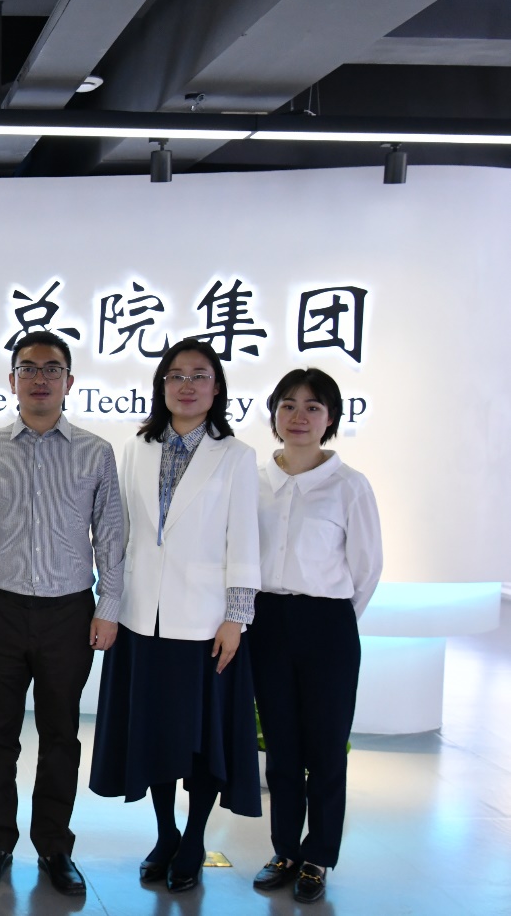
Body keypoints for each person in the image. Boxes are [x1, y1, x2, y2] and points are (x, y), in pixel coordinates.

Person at [88, 338, 263, 893]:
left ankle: (194, 838)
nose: (186, 385)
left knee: (201, 741)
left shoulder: (236, 456)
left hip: (206, 623)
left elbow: (244, 540)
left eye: (199, 375)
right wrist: (109, 602)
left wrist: (237, 615)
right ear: (161, 386)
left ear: (217, 387)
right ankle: (165, 834)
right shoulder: (136, 447)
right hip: (142, 619)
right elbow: (118, 534)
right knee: (155, 736)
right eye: (175, 375)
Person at [0, 330, 125, 894]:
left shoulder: (95, 451)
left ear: (69, 380)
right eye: (28, 368)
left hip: (68, 613)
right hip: (1, 609)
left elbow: (111, 535)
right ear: (11, 380)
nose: (40, 379)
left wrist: (108, 606)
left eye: (51, 368)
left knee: (61, 734)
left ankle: (55, 847)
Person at [250, 368, 381, 905]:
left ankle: (318, 855)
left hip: (327, 625)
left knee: (326, 748)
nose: (298, 417)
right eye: (288, 405)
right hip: (266, 622)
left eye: (312, 407)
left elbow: (367, 568)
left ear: (330, 419)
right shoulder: (255, 480)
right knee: (280, 745)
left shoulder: (349, 485)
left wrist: (331, 619)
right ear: (274, 414)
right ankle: (285, 849)